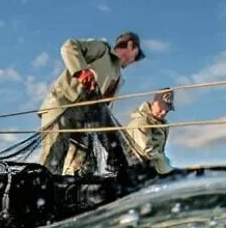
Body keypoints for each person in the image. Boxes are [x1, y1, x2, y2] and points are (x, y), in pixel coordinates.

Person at [37, 31, 145, 176]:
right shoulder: (102, 50)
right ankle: (37, 193)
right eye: (136, 56)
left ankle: (67, 194)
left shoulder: (119, 79)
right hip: (62, 107)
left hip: (84, 124)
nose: (134, 61)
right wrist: (81, 72)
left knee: (81, 167)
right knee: (52, 159)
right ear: (131, 45)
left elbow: (104, 109)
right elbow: (69, 46)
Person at [124, 88, 175, 176]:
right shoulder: (141, 123)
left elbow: (158, 151)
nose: (163, 112)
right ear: (153, 103)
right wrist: (168, 170)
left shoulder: (160, 123)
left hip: (153, 168)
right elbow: (147, 152)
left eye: (167, 109)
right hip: (139, 171)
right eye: (161, 108)